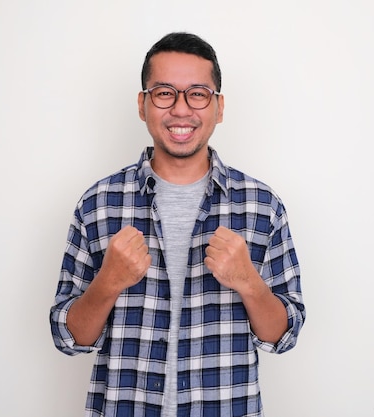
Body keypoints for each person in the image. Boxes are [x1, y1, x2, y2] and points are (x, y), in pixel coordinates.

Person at [50, 32, 305, 417]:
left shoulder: (262, 207)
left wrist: (247, 281)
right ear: (143, 104)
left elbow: (283, 336)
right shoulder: (98, 205)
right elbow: (69, 338)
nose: (181, 110)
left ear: (219, 107)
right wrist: (109, 281)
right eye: (165, 92)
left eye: (198, 93)